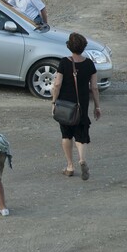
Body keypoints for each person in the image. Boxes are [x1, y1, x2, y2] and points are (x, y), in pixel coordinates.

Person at [51, 32, 101, 180]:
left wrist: (53, 102)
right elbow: (94, 88)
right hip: (82, 105)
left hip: (65, 105)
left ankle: (70, 166)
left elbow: (57, 84)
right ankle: (82, 159)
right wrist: (97, 106)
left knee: (66, 134)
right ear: (84, 46)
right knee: (81, 135)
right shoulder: (89, 64)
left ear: (69, 46)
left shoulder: (64, 63)